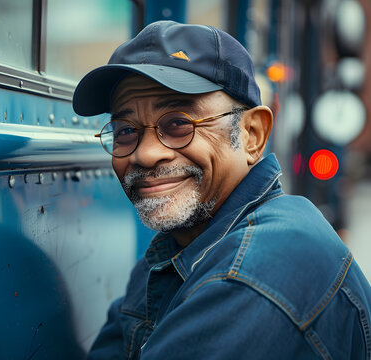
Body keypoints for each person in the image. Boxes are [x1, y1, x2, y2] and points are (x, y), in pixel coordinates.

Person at [72, 21, 371, 359]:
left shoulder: (255, 275)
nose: (145, 153)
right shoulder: (176, 251)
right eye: (125, 130)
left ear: (252, 135)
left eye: (178, 124)